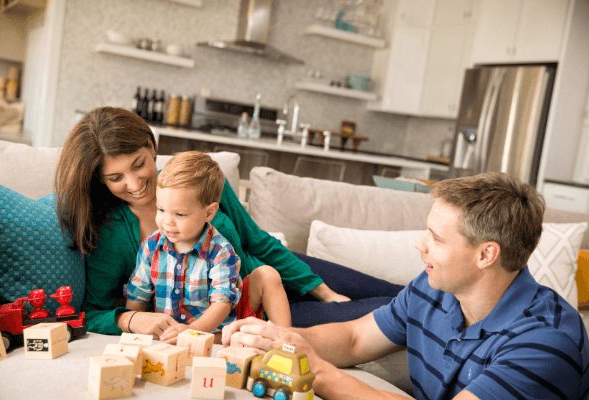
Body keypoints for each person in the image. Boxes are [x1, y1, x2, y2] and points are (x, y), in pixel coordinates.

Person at [222, 172, 589, 400]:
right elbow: (353, 339)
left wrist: (314, 371)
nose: (420, 245)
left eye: (436, 238)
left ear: (486, 255)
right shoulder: (435, 289)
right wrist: (276, 339)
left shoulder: (545, 343)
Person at [54, 107, 403, 338]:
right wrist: (130, 320)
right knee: (397, 313)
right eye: (116, 177)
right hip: (250, 312)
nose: (134, 183)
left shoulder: (196, 180)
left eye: (138, 163)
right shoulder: (112, 231)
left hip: (275, 271)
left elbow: (256, 242)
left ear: (151, 145)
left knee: (400, 293)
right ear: (101, 180)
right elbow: (95, 310)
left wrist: (323, 291)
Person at [123, 151, 291, 342]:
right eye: (161, 210)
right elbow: (137, 298)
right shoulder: (151, 247)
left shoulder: (220, 250)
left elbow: (223, 304)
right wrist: (132, 329)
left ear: (209, 212)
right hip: (169, 334)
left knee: (268, 274)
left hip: (217, 331)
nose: (167, 222)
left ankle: (285, 342)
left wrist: (190, 332)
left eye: (180, 214)